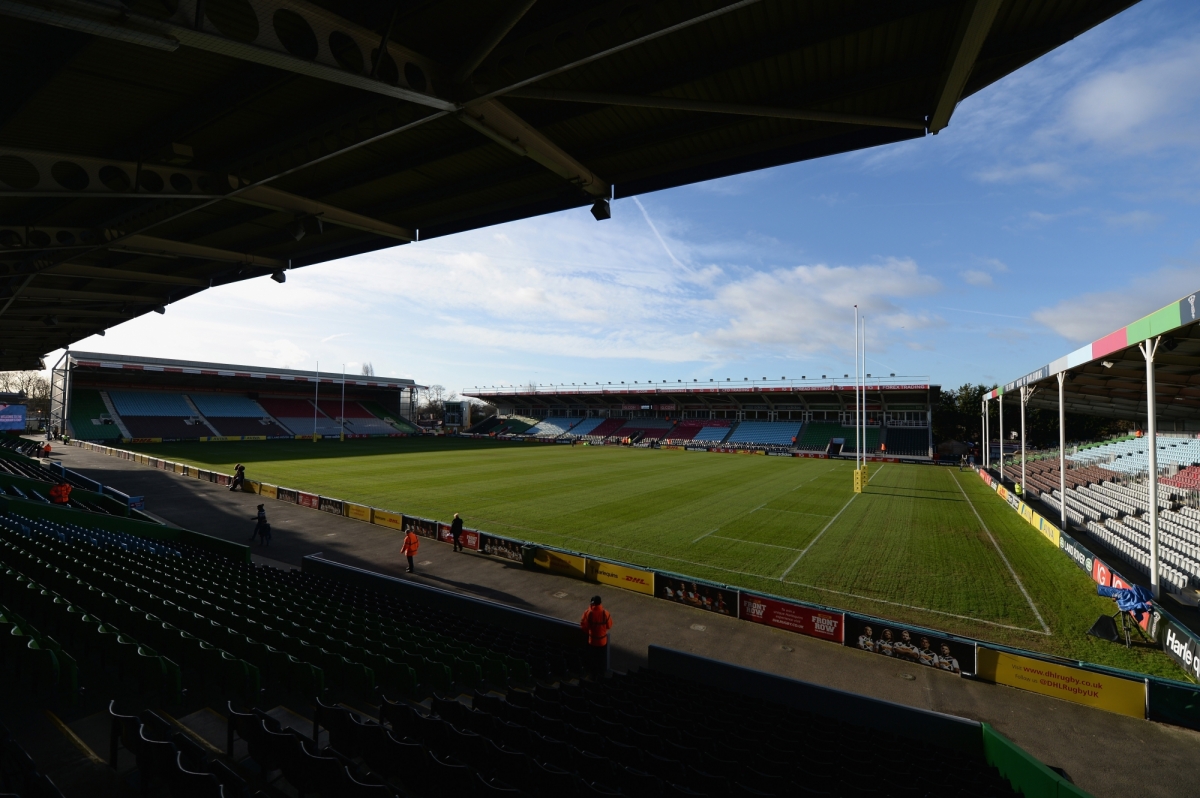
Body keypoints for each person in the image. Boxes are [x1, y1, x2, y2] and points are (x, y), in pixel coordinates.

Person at [580, 595, 613, 680]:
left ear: (593, 603)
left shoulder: (589, 613)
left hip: (592, 642)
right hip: (602, 642)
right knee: (601, 660)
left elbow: (585, 627)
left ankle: (593, 676)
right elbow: (609, 625)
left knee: (593, 660)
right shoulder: (605, 613)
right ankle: (601, 676)